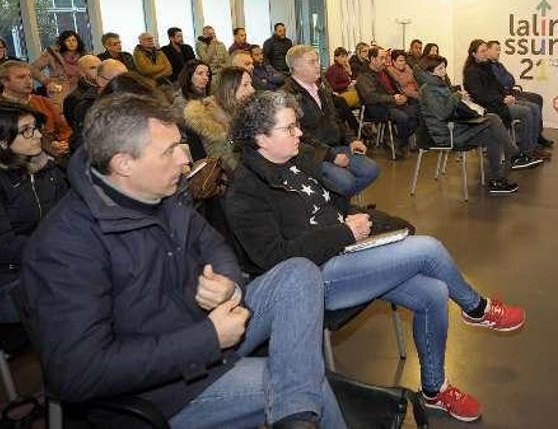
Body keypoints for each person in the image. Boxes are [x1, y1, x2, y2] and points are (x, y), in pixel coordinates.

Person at [20, 93, 344, 429]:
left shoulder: (163, 194)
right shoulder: (65, 246)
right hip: (165, 388)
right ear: (123, 163)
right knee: (306, 384)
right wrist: (207, 339)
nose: (185, 160)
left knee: (298, 273)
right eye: (169, 151)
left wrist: (228, 283)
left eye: (181, 144)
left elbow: (215, 245)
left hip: (206, 328)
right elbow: (76, 374)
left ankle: (295, 408)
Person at [225, 91, 525, 423]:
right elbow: (277, 259)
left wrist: (366, 228)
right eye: (289, 128)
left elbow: (331, 207)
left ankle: (435, 389)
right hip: (313, 280)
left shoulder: (294, 162)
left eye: (297, 126)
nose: (299, 133)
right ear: (259, 138)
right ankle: (477, 308)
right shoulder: (246, 191)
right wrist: (344, 233)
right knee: (428, 249)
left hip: (347, 254)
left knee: (434, 293)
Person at [420, 55, 540, 194]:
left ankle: (497, 180)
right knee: (493, 118)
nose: (444, 71)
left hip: (456, 126)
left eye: (444, 67)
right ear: (430, 71)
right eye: (440, 68)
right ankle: (515, 155)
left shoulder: (440, 85)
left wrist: (461, 100)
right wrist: (456, 97)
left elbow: (450, 108)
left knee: (492, 135)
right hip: (446, 134)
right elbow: (442, 113)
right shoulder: (428, 90)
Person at [0, 103, 68, 323]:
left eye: (36, 127)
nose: (38, 135)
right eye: (26, 130)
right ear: (3, 142)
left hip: (51, 260)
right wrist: (58, 252)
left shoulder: (47, 170)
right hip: (11, 274)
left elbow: (70, 218)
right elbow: (5, 246)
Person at [285, 45, 379, 197]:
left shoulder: (320, 89)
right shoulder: (288, 95)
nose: (318, 65)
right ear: (296, 67)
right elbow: (301, 135)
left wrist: (351, 139)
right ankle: (332, 207)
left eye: (317, 61)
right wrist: (331, 156)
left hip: (335, 146)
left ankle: (336, 204)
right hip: (313, 154)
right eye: (312, 62)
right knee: (345, 182)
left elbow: (336, 118)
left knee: (371, 170)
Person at [463, 39, 547, 160]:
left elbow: (499, 85)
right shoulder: (472, 72)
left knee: (533, 107)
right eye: (482, 51)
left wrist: (506, 96)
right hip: (490, 107)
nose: (485, 53)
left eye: (486, 50)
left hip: (500, 100)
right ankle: (525, 151)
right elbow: (480, 96)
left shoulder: (486, 67)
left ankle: (532, 147)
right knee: (526, 111)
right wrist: (502, 99)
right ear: (474, 54)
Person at [184, 66, 255, 173]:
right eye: (245, 85)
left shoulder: (246, 107)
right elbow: (225, 162)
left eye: (250, 84)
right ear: (229, 90)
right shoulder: (207, 118)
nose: (252, 89)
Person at [486, 40, 552, 148]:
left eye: (500, 50)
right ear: (488, 50)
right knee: (531, 106)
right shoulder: (487, 67)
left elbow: (511, 79)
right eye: (496, 49)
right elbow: (500, 81)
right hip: (504, 96)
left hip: (510, 91)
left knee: (537, 98)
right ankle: (529, 141)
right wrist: (505, 83)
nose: (499, 52)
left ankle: (537, 135)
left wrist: (505, 83)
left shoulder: (499, 65)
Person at [355, 47, 419, 155]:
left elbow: (396, 86)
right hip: (376, 107)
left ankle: (397, 140)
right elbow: (371, 97)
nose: (385, 61)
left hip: (391, 103)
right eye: (382, 58)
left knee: (418, 113)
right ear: (372, 59)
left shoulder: (384, 71)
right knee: (403, 118)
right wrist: (393, 99)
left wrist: (402, 96)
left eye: (385, 58)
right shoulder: (364, 76)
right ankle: (397, 142)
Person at [0, 61, 71, 158]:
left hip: (53, 160)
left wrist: (63, 144)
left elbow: (65, 131)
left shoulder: (44, 102)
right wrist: (45, 146)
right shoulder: (2, 108)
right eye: (21, 77)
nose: (28, 81)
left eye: (30, 77)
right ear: (5, 82)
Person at [30, 30, 87, 102]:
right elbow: (33, 69)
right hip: (59, 90)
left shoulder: (84, 55)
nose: (71, 43)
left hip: (80, 92)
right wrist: (47, 82)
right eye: (68, 40)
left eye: (74, 40)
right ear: (63, 42)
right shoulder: (52, 54)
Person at [62, 55, 101, 152]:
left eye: (100, 67)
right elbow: (77, 129)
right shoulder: (74, 98)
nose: (98, 70)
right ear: (82, 73)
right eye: (92, 67)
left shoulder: (109, 89)